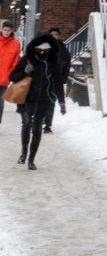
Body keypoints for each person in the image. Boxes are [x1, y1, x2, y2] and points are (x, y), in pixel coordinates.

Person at [10, 38, 55, 168]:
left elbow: (58, 80)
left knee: (37, 128)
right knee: (27, 123)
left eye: (45, 50)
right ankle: (24, 152)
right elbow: (12, 77)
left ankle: (31, 159)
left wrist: (60, 99)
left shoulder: (51, 62)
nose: (42, 52)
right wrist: (25, 72)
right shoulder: (27, 59)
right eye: (39, 49)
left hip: (43, 99)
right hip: (26, 98)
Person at [25, 25, 68, 131]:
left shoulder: (63, 50)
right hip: (38, 80)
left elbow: (66, 65)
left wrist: (63, 78)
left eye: (56, 35)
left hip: (53, 79)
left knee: (51, 101)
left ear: (59, 36)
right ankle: (33, 119)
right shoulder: (38, 50)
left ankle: (47, 124)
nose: (54, 36)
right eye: (52, 35)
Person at [0, 22, 19, 89]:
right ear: (1, 30)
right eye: (5, 30)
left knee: (1, 99)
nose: (6, 32)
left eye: (9, 30)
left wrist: (9, 73)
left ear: (11, 31)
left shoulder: (16, 44)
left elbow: (15, 61)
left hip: (5, 78)